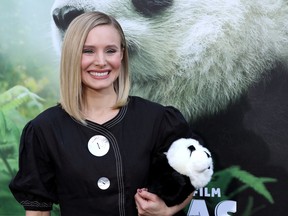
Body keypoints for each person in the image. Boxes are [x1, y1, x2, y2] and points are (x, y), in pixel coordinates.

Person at [9, 11, 194, 216]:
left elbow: (192, 174)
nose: (101, 61)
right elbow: (37, 212)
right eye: (88, 51)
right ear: (71, 54)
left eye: (110, 50)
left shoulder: (157, 119)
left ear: (122, 54)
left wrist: (168, 210)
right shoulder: (45, 129)